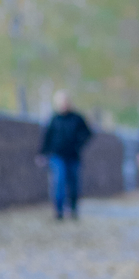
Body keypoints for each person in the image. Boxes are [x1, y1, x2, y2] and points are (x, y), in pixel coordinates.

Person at [38, 90, 92, 220]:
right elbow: (47, 137)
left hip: (73, 156)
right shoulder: (54, 119)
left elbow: (87, 133)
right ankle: (59, 210)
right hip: (57, 156)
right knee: (59, 182)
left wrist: (78, 144)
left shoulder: (77, 118)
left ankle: (73, 209)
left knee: (73, 184)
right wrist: (42, 154)